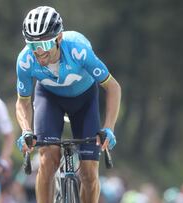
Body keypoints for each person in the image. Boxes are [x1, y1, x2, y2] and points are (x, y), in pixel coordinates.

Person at [15, 6, 121, 203]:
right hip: (49, 99)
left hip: (84, 101)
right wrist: (26, 130)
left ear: (59, 38)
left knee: (89, 171)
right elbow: (23, 102)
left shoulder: (78, 49)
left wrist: (109, 127)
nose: (39, 52)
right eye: (32, 45)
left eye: (45, 44)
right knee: (48, 160)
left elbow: (113, 87)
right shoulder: (25, 61)